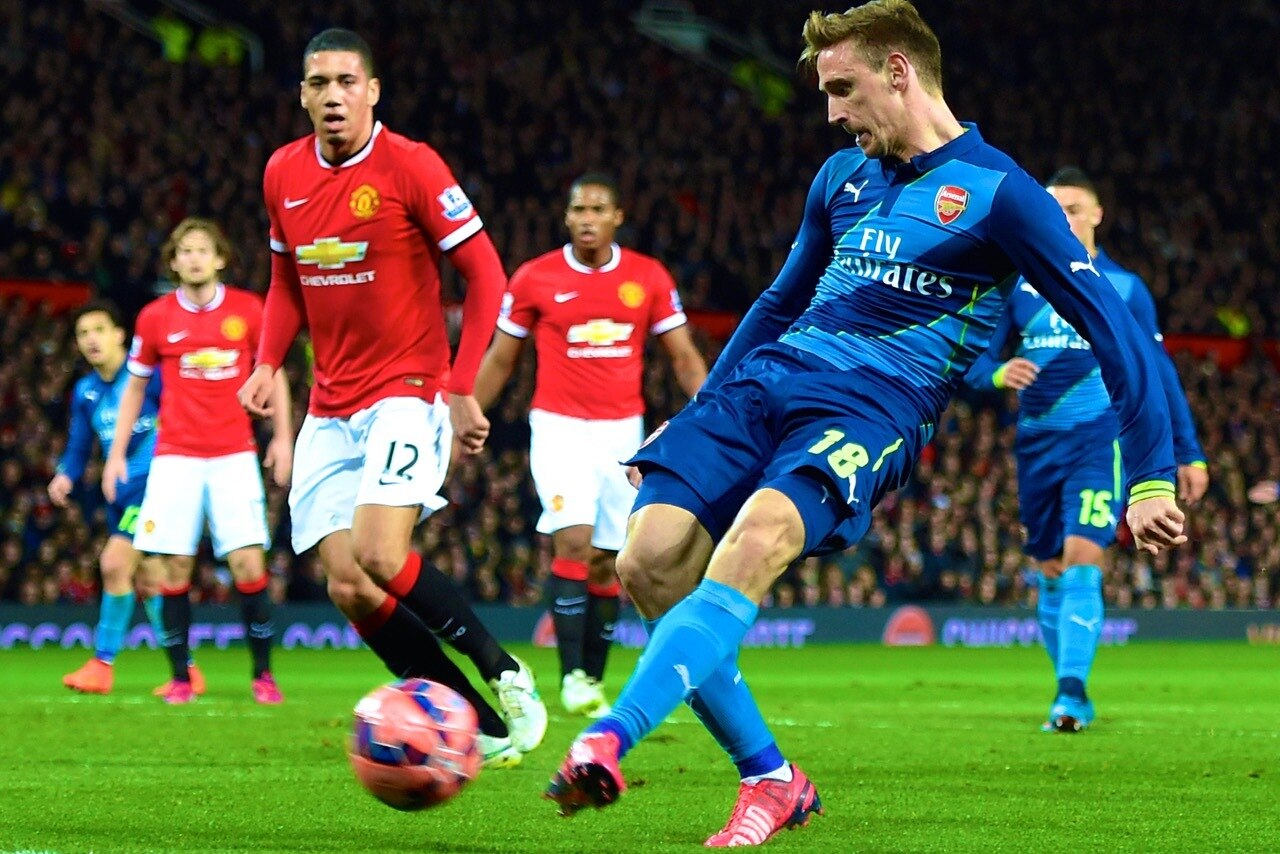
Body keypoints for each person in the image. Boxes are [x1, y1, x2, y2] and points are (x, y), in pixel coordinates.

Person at [545, 1, 1187, 845]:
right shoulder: (840, 178)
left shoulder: (1003, 195)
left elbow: (1115, 333)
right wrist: (697, 413)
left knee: (760, 535)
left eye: (843, 89)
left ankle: (609, 738)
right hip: (769, 382)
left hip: (876, 406)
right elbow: (779, 303)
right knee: (647, 561)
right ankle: (772, 778)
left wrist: (1151, 474)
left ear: (899, 72)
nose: (831, 113)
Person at [236, 28, 546, 766]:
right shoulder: (282, 172)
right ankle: (474, 723)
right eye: (319, 83)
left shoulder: (411, 165)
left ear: (372, 91)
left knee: (379, 552)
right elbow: (285, 281)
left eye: (347, 81)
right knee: (348, 584)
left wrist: (462, 386)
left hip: (407, 389)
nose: (333, 96)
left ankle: (505, 672)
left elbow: (487, 274)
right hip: (330, 403)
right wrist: (266, 362)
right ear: (302, 95)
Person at [965, 166, 1208, 732]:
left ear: (1098, 214)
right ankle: (1067, 686)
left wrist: (1187, 451)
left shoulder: (1124, 288)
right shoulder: (1019, 284)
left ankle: (1071, 695)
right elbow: (973, 357)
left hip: (1100, 443)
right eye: (1055, 210)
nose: (1065, 219)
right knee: (1049, 567)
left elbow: (1156, 371)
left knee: (1081, 557)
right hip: (1036, 444)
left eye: (1075, 209)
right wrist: (997, 375)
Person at [473, 173, 707, 717]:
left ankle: (591, 679)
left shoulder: (647, 278)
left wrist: (712, 413)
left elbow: (682, 356)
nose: (587, 219)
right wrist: (466, 416)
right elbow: (502, 358)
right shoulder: (535, 278)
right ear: (566, 216)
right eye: (578, 209)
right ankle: (570, 676)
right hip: (558, 428)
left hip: (622, 433)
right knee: (573, 540)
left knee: (609, 560)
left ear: (617, 217)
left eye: (598, 209)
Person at [103, 218, 292, 705]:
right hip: (176, 457)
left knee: (248, 562)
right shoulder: (155, 317)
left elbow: (274, 374)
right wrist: (116, 454)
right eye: (184, 251)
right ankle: (181, 679)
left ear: (220, 258)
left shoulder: (249, 310)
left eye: (202, 250)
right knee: (174, 566)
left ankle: (263, 675)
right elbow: (134, 388)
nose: (193, 258)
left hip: (234, 454)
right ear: (173, 262)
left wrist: (283, 439)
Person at [53, 300, 205, 696]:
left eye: (99, 330)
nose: (91, 339)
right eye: (83, 333)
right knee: (150, 580)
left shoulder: (148, 378)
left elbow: (184, 412)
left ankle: (102, 665)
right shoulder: (85, 392)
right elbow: (79, 444)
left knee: (114, 563)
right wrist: (65, 474)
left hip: (155, 487)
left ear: (120, 335)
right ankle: (186, 669)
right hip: (120, 495)